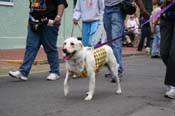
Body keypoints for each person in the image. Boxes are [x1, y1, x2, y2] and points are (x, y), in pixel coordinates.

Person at [8, 0, 68, 81]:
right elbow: (34, 5)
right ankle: (23, 72)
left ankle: (55, 72)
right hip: (34, 22)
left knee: (50, 48)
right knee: (31, 47)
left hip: (49, 22)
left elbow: (61, 3)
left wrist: (58, 16)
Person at [103, 0, 150, 81]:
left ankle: (118, 71)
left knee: (115, 41)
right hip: (106, 9)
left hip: (117, 9)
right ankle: (112, 69)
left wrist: (143, 11)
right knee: (110, 43)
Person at [160, 0, 175, 99]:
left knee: (173, 54)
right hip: (166, 17)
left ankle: (173, 86)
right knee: (164, 52)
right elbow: (154, 2)